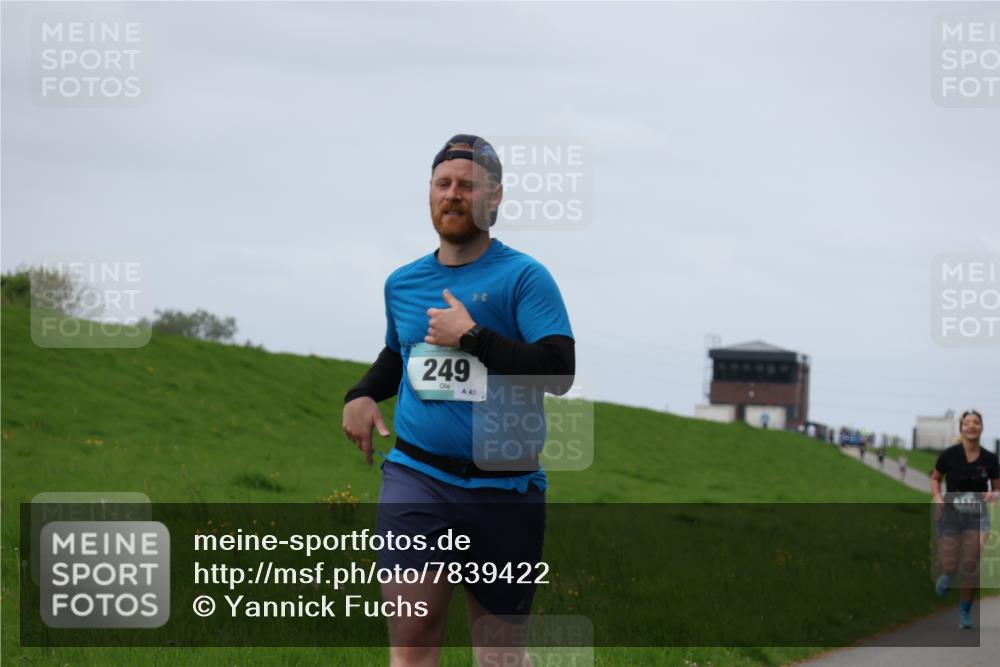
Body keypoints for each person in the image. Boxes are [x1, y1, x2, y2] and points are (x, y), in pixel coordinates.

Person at [342, 134, 575, 666]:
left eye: (467, 186)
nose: (452, 194)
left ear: (494, 200)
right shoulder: (402, 283)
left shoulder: (524, 278)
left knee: (499, 657)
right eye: (442, 183)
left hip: (506, 489)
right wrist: (361, 395)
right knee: (414, 634)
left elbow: (560, 371)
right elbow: (398, 355)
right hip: (418, 479)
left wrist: (473, 338)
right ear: (429, 194)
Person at [929, 410, 999, 630]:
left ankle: (965, 613)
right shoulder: (949, 455)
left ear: (981, 427)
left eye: (976, 423)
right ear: (961, 428)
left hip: (977, 517)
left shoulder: (990, 459)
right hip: (950, 515)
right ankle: (948, 575)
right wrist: (938, 498)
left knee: (970, 564)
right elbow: (936, 478)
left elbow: (997, 487)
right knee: (949, 564)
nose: (971, 426)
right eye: (967, 423)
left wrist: (994, 494)